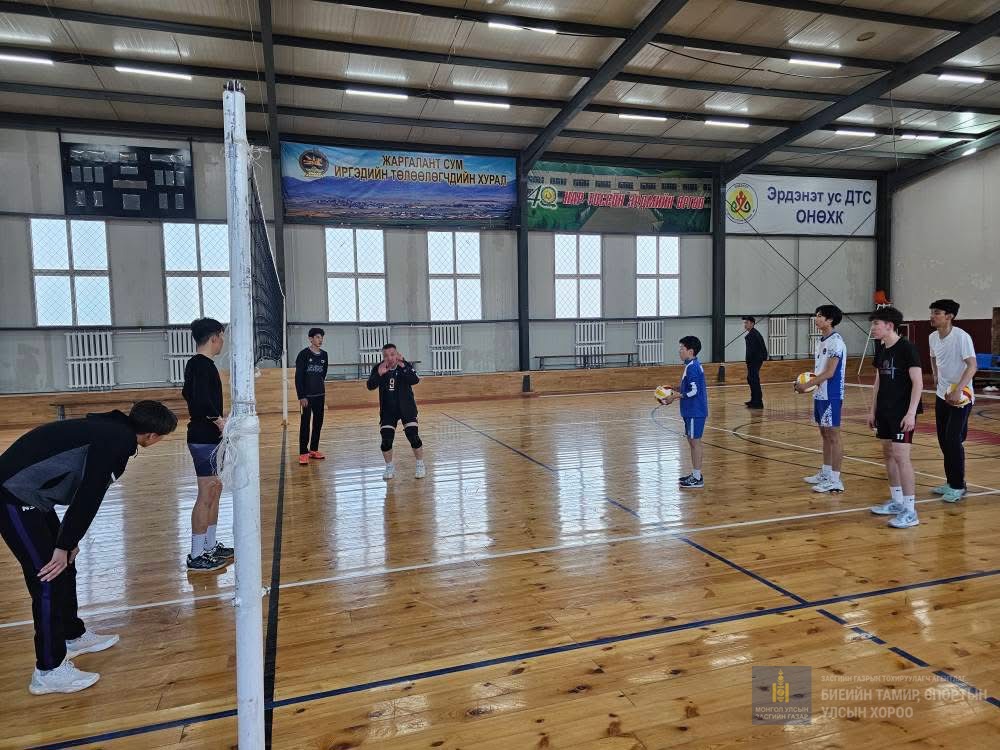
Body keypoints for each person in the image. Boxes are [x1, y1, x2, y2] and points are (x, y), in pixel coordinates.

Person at [0, 401, 177, 694]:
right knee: (46, 576)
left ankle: (72, 634)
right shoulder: (117, 441)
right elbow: (89, 494)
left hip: (32, 496)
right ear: (153, 436)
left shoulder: (113, 429)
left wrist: (68, 543)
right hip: (11, 495)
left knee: (64, 564)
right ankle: (48, 670)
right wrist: (64, 543)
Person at [182, 317, 233, 572]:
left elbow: (188, 394)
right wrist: (219, 420)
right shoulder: (201, 365)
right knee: (206, 494)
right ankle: (196, 554)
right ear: (214, 337)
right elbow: (201, 400)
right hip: (204, 437)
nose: (223, 342)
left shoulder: (199, 364)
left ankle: (210, 546)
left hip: (209, 436)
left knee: (214, 490)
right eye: (222, 337)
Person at [868, 307, 924, 529]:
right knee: (889, 454)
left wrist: (911, 413)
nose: (872, 328)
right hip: (884, 410)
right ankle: (897, 501)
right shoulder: (881, 349)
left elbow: (918, 383)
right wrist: (873, 410)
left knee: (901, 456)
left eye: (876, 324)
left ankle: (910, 511)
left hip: (902, 412)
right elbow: (878, 382)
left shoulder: (907, 348)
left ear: (889, 326)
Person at [928, 299, 977, 503]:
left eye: (937, 312)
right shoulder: (932, 337)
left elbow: (972, 366)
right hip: (942, 395)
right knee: (943, 440)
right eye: (932, 312)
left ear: (949, 316)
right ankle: (950, 482)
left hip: (961, 398)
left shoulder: (961, 337)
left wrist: (958, 390)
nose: (932, 316)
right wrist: (935, 374)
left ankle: (958, 486)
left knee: (953, 439)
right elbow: (933, 357)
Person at [797, 305, 847, 494]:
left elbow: (830, 372)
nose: (816, 319)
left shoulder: (836, 342)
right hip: (820, 394)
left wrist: (807, 385)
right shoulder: (821, 341)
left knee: (833, 435)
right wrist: (806, 384)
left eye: (820, 316)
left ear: (830, 320)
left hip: (832, 394)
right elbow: (818, 371)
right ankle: (826, 473)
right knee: (824, 434)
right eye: (816, 315)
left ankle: (835, 480)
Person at [367, 343, 425, 480]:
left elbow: (415, 380)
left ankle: (420, 464)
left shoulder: (404, 365)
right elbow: (370, 385)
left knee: (413, 436)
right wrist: (379, 374)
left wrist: (404, 366)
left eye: (392, 354)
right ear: (383, 357)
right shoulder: (379, 368)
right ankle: (389, 467)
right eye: (386, 355)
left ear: (397, 354)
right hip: (388, 410)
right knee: (386, 441)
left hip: (407, 408)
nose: (390, 358)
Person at [660, 336, 708, 488]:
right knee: (692, 442)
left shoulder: (693, 367)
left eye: (682, 348)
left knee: (695, 443)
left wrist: (675, 396)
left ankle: (697, 478)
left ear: (690, 351)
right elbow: (689, 387)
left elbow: (695, 391)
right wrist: (674, 389)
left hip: (695, 411)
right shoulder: (691, 365)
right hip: (690, 411)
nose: (679, 351)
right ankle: (695, 474)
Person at [295, 327, 329, 466]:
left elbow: (323, 374)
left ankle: (314, 449)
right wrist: (301, 396)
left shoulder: (324, 355)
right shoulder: (303, 354)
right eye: (317, 337)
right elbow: (298, 377)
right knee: (305, 424)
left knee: (318, 423)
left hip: (320, 395)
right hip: (306, 397)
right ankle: (303, 452)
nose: (320, 340)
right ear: (310, 339)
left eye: (321, 337)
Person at [743, 316, 768, 409]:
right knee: (751, 379)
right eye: (745, 323)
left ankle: (758, 402)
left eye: (747, 322)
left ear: (752, 324)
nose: (745, 324)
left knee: (754, 380)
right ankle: (754, 400)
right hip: (753, 360)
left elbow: (754, 350)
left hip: (755, 360)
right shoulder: (752, 334)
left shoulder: (753, 335)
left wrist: (751, 360)